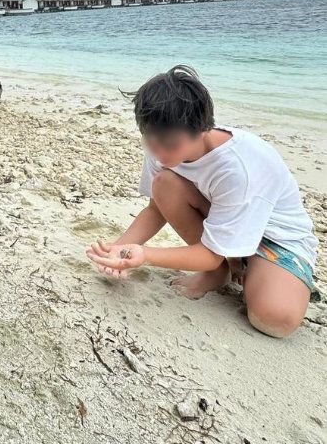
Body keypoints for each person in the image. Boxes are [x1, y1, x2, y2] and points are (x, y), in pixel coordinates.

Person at [86, 65, 319, 339]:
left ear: (202, 129)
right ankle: (220, 272)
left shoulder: (238, 167)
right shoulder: (161, 142)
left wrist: (145, 255)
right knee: (164, 183)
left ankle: (248, 268)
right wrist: (119, 250)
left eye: (170, 144)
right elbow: (155, 210)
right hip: (223, 229)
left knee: (274, 319)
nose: (158, 152)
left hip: (276, 239)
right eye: (149, 141)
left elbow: (208, 252)